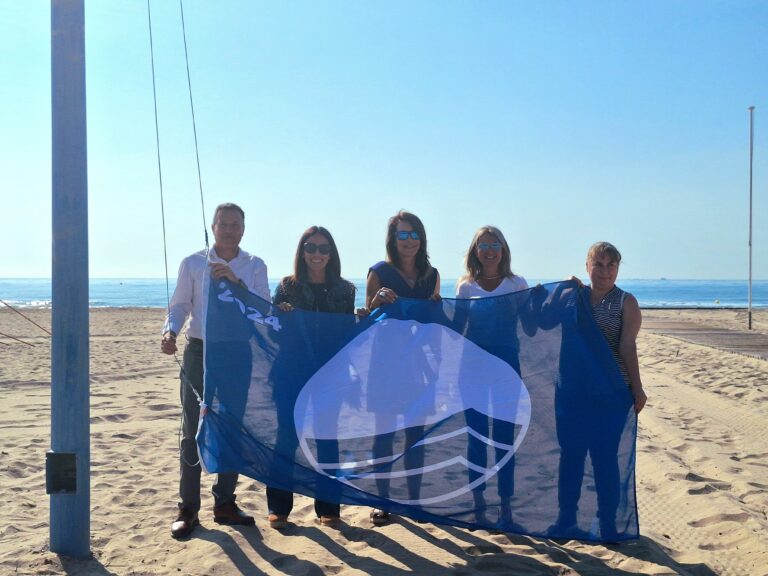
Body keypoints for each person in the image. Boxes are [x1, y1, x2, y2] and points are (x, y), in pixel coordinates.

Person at [161, 202, 269, 539]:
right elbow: (180, 305)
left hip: (237, 351)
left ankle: (225, 503)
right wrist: (170, 331)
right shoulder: (194, 262)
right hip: (199, 350)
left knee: (233, 427)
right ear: (213, 226)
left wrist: (236, 282)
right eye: (223, 223)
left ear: (243, 229)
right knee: (193, 426)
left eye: (235, 224)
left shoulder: (254, 265)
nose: (229, 229)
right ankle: (187, 508)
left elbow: (262, 310)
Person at [548, 241, 647, 540]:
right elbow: (540, 321)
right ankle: (567, 521)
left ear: (617, 268)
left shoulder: (625, 302)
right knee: (571, 458)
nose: (604, 271)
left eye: (611, 265)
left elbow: (627, 345)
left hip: (609, 393)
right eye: (599, 264)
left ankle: (608, 525)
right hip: (571, 391)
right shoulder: (572, 297)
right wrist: (556, 290)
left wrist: (637, 387)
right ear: (587, 266)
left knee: (605, 459)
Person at [266, 225, 357, 529]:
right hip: (291, 372)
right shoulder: (287, 286)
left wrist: (366, 317)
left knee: (327, 440)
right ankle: (279, 507)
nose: (316, 254)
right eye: (310, 247)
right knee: (287, 439)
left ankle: (329, 508)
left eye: (323, 248)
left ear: (332, 254)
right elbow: (272, 331)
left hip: (330, 376)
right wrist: (279, 315)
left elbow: (347, 336)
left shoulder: (346, 290)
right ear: (302, 251)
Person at [365, 210, 440, 526]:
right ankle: (383, 502)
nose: (408, 241)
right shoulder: (380, 271)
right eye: (402, 235)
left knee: (415, 435)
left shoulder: (431, 274)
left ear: (421, 238)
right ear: (393, 240)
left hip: (418, 365)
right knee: (384, 433)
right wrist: (378, 299)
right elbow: (367, 316)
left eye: (413, 234)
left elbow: (436, 320)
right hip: (384, 363)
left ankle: (414, 502)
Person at [454, 226, 529, 522]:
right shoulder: (465, 287)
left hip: (507, 369)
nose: (489, 250)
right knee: (476, 437)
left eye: (494, 244)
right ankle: (478, 502)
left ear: (503, 249)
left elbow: (533, 325)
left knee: (504, 438)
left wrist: (557, 296)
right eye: (483, 245)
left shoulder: (516, 283)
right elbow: (456, 328)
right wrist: (428, 311)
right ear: (475, 251)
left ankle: (506, 505)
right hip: (471, 370)